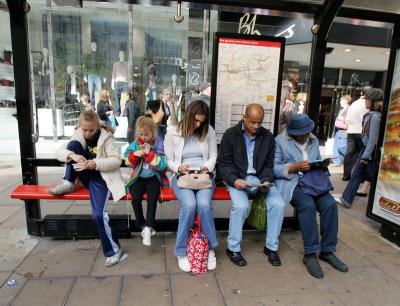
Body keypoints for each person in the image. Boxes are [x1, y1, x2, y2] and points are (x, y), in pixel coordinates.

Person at [274, 114, 348, 279]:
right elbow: (274, 168)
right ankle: (311, 253)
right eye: (300, 134)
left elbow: (315, 161)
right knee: (308, 206)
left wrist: (322, 164)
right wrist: (294, 166)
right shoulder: (280, 141)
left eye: (306, 133)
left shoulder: (313, 139)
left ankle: (327, 250)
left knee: (330, 204)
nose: (304, 137)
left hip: (314, 182)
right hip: (293, 183)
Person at [48, 110, 126, 267]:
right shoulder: (77, 135)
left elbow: (116, 161)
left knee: (98, 215)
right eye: (85, 129)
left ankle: (114, 250)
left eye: (91, 129)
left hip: (101, 178)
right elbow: (59, 152)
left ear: (97, 126)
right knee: (72, 146)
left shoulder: (107, 137)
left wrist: (95, 163)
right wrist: (73, 156)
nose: (88, 133)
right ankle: (68, 183)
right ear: (79, 126)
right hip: (83, 175)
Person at [217, 103, 286, 267]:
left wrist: (266, 181)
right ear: (244, 118)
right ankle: (233, 248)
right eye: (253, 122)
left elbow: (269, 164)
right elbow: (223, 164)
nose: (256, 126)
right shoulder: (230, 135)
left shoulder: (267, 136)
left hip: (260, 178)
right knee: (240, 207)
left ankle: (271, 248)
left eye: (259, 122)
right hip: (238, 179)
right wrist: (234, 180)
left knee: (278, 204)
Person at [164, 100, 219, 272]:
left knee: (203, 205)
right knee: (189, 205)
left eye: (201, 121)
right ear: (187, 117)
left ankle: (209, 248)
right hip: (182, 176)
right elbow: (168, 160)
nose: (198, 125)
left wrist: (206, 167)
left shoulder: (208, 130)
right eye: (195, 121)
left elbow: (213, 156)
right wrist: (178, 167)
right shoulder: (172, 132)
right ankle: (181, 251)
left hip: (203, 175)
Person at [124, 116, 168, 246]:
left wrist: (149, 154)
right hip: (138, 178)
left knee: (152, 198)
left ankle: (149, 227)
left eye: (147, 134)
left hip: (153, 178)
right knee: (135, 198)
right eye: (141, 134)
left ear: (153, 133)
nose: (144, 137)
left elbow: (163, 164)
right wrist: (135, 155)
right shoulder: (135, 144)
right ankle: (142, 225)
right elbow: (127, 161)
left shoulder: (158, 143)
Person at [339, 88, 384, 208]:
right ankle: (346, 199)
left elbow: (373, 139)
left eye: (368, 99)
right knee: (359, 174)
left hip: (368, 150)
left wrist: (365, 155)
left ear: (373, 102)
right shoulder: (373, 115)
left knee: (358, 174)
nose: (365, 101)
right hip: (368, 149)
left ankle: (347, 199)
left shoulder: (374, 116)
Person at [343, 91, 368, 180]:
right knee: (363, 153)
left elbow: (347, 119)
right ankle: (359, 176)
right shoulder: (367, 104)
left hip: (351, 131)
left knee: (349, 153)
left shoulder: (354, 103)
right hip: (361, 132)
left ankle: (346, 175)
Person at [83, 42, 106, 106]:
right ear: (90, 46)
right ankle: (91, 105)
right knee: (90, 92)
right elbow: (85, 67)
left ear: (96, 46)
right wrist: (85, 76)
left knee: (99, 90)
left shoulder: (99, 55)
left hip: (97, 75)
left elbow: (102, 66)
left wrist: (103, 76)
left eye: (95, 45)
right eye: (92, 45)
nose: (94, 46)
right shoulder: (88, 56)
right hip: (90, 76)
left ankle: (101, 105)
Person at [332, 95, 351, 166]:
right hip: (337, 130)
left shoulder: (349, 109)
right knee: (335, 146)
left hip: (344, 130)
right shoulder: (341, 110)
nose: (340, 102)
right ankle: (337, 162)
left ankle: (349, 158)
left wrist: (342, 119)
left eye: (341, 100)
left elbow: (348, 120)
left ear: (346, 101)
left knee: (341, 147)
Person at [111, 51, 128, 116]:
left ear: (124, 55)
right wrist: (112, 83)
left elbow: (129, 73)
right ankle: (117, 112)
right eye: (120, 54)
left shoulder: (127, 63)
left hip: (125, 83)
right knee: (117, 98)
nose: (121, 55)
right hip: (117, 83)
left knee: (126, 98)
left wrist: (130, 82)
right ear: (118, 55)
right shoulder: (115, 64)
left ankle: (125, 112)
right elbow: (113, 74)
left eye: (122, 54)